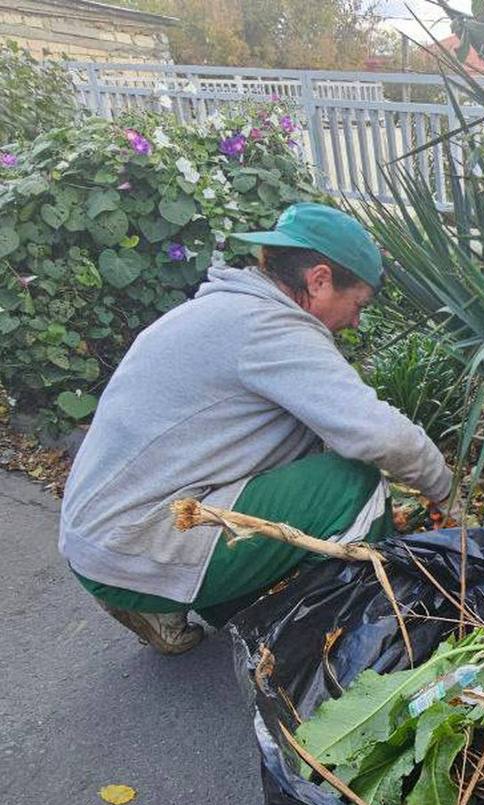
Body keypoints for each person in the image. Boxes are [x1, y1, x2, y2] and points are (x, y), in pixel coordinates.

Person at [59, 203, 454, 654]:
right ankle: (363, 641)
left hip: (99, 540)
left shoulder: (221, 310)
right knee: (352, 485)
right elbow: (383, 437)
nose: (356, 322)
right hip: (137, 541)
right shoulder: (270, 329)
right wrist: (447, 492)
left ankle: (168, 602)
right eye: (358, 304)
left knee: (309, 458)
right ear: (320, 280)